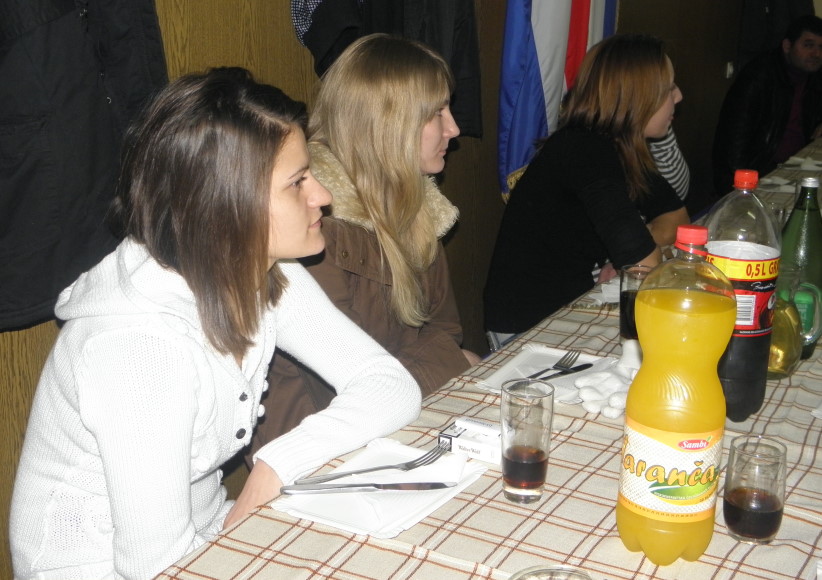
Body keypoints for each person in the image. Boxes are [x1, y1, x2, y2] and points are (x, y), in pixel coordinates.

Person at [9, 67, 420, 580]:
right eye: (297, 183)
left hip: (203, 537)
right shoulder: (138, 348)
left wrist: (276, 464)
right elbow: (154, 566)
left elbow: (390, 385)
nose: (322, 196)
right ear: (227, 203)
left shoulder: (261, 273)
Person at [248, 34, 480, 456]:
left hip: (400, 422)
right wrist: (448, 361)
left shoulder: (420, 209)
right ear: (388, 123)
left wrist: (443, 358)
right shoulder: (313, 228)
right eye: (436, 113)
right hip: (319, 452)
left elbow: (446, 331)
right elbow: (339, 396)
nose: (454, 129)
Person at [483, 34, 688, 341]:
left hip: (572, 302)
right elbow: (645, 263)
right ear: (638, 97)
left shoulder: (619, 145)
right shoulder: (586, 150)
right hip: (529, 322)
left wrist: (626, 254)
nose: (679, 96)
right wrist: (634, 254)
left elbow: (676, 218)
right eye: (669, 88)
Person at [713, 14, 822, 194]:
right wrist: (742, 188)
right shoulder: (758, 78)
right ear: (787, 46)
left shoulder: (815, 75)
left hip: (801, 164)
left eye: (821, 47)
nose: (816, 54)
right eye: (808, 45)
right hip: (763, 170)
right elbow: (733, 140)